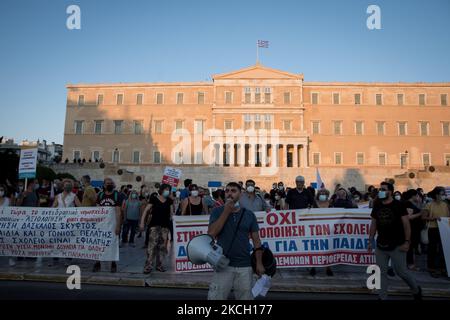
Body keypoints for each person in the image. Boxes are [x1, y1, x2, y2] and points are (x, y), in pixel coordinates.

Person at [207, 182, 264, 300]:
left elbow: (257, 241)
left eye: (233, 191)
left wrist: (259, 263)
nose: (229, 193)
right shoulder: (217, 212)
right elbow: (211, 234)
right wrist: (226, 211)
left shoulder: (249, 215)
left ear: (241, 194)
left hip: (245, 266)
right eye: (227, 191)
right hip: (223, 264)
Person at [368, 182, 422, 300]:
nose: (380, 191)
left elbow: (406, 224)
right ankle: (382, 297)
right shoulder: (377, 205)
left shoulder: (399, 205)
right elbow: (373, 224)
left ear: (390, 192)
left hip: (398, 244)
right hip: (381, 245)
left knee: (401, 272)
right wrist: (370, 240)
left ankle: (416, 290)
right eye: (379, 189)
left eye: (383, 189)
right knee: (381, 273)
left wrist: (407, 242)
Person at [140, 184, 173, 273]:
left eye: (169, 190)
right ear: (161, 190)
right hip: (154, 226)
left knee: (162, 247)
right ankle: (148, 266)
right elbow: (146, 210)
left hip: (165, 227)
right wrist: (142, 222)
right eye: (166, 189)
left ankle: (159, 265)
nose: (167, 191)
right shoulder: (154, 198)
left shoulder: (169, 201)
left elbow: (171, 214)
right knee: (152, 246)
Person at [93, 178, 122, 273]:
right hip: (101, 224)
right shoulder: (100, 195)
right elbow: (97, 210)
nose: (109, 184)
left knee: (113, 242)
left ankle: (113, 262)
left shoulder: (117, 195)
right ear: (104, 185)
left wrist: (118, 226)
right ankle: (97, 262)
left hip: (112, 224)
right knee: (99, 242)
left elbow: (118, 212)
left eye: (111, 183)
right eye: (107, 183)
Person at [421, 186, 450, 277]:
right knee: (432, 249)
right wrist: (433, 218)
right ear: (436, 195)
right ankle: (432, 268)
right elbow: (423, 217)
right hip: (433, 229)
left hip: (444, 229)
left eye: (444, 194)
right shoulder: (429, 205)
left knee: (443, 249)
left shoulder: (445, 205)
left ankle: (442, 268)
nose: (444, 196)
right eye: (442, 194)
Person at [313, 188, 334, 277]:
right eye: (320, 192)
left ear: (327, 194)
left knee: (327, 248)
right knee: (315, 248)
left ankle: (328, 267)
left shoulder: (330, 203)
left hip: (328, 229)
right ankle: (313, 267)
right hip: (316, 228)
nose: (322, 193)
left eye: (324, 192)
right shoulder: (315, 203)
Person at [403, 189, 424, 271]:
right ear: (413, 196)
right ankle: (410, 264)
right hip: (411, 229)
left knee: (412, 246)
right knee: (410, 247)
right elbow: (409, 217)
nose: (418, 197)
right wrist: (420, 213)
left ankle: (411, 263)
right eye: (417, 195)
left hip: (414, 228)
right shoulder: (408, 204)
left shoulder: (412, 204)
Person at [0, 184, 15, 266]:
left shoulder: (8, 200)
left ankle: (10, 258)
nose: (0, 191)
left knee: (7, 242)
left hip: (5, 226)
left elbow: (12, 211)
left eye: (2, 189)